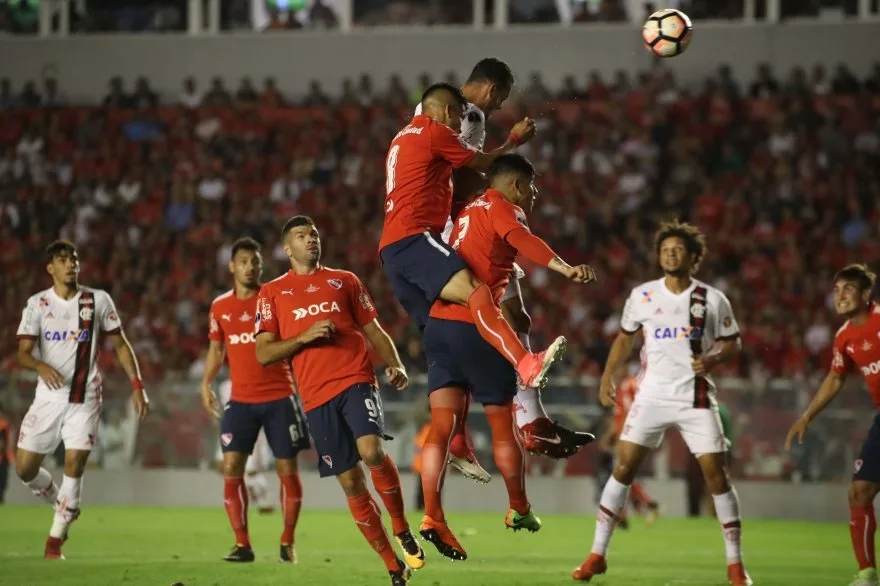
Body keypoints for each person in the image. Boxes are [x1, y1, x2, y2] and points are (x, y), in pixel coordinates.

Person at [415, 59, 591, 484]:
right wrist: (513, 140)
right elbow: (466, 167)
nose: (500, 106)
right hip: (459, 228)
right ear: (492, 90)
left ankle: (527, 421)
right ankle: (521, 424)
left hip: (448, 225)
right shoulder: (466, 116)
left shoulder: (432, 113)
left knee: (512, 318)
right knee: (481, 325)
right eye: (504, 98)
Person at [418, 154, 596, 560]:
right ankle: (518, 507)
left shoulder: (465, 214)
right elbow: (523, 241)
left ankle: (431, 516)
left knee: (440, 429)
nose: (533, 196)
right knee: (502, 426)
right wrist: (565, 268)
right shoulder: (503, 208)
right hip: (478, 329)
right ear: (516, 185)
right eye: (531, 187)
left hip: (439, 328)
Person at [573, 220, 751, 586]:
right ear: (659, 256)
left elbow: (733, 342)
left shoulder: (712, 299)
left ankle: (735, 565)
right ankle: (596, 554)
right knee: (622, 467)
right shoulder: (642, 295)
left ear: (693, 258)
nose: (671, 254)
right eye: (665, 249)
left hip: (695, 396)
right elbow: (624, 340)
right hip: (651, 394)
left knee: (717, 475)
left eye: (678, 249)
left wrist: (715, 359)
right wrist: (607, 376)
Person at [255, 216, 424, 586]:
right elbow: (264, 353)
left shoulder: (344, 281)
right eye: (302, 236)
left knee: (372, 452)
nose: (311, 240)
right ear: (287, 249)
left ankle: (401, 527)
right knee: (350, 481)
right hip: (315, 397)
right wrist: (304, 336)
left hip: (356, 379)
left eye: (314, 233)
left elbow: (373, 330)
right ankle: (393, 566)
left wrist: (395, 364)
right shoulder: (271, 293)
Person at [379, 82, 568, 397]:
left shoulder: (401, 137)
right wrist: (514, 140)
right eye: (457, 120)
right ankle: (525, 363)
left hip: (391, 249)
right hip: (414, 237)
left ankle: (457, 436)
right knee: (478, 292)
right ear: (450, 112)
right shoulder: (433, 131)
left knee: (438, 330)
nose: (458, 128)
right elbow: (485, 165)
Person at [14, 240, 150, 559]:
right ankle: (61, 500)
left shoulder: (97, 300)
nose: (71, 264)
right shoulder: (37, 305)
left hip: (85, 396)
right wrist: (39, 364)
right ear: (51, 268)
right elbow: (22, 353)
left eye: (74, 258)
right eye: (63, 260)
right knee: (23, 469)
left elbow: (120, 344)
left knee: (75, 462)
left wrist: (137, 385)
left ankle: (55, 542)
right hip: (47, 398)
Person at [200, 237, 310, 563]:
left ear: (261, 266)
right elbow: (216, 349)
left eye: (255, 262)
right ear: (232, 266)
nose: (250, 267)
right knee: (232, 466)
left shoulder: (274, 297)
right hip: (241, 399)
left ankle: (288, 539)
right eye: (243, 261)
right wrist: (206, 383)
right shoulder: (220, 306)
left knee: (286, 469)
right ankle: (242, 544)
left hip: (280, 397)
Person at [785, 264, 880, 586]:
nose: (839, 296)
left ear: (866, 294)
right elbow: (836, 377)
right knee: (859, 491)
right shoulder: (844, 336)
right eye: (836, 290)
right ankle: (867, 574)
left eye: (848, 289)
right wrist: (807, 415)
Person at [595, 369, 660, 529]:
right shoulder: (625, 387)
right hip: (625, 435)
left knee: (621, 475)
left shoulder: (628, 385)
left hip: (626, 436)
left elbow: (630, 413)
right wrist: (610, 436)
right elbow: (619, 415)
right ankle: (626, 514)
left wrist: (623, 437)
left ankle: (643, 506)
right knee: (622, 475)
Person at [212, 379, 276, 515]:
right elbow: (225, 409)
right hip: (231, 428)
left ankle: (258, 500)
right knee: (221, 466)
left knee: (251, 470)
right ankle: (259, 496)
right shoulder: (226, 385)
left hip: (253, 430)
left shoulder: (255, 382)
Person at [0, 402, 11, 504]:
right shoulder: (3, 424)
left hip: (3, 459)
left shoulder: (2, 424)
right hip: (3, 459)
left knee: (2, 485)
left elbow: (3, 443)